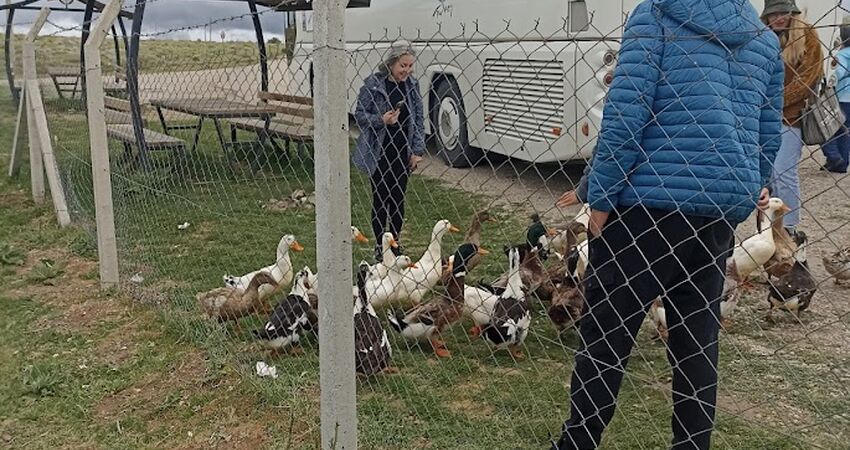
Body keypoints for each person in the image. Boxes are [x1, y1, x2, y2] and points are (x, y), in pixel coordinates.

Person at [553, 0, 783, 449]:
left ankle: (576, 443)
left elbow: (627, 109)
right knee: (697, 345)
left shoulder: (656, 15)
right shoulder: (763, 40)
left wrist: (600, 195)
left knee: (606, 338)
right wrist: (745, 183)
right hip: (714, 213)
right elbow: (767, 131)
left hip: (645, 207)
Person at [353, 40, 426, 261]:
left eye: (410, 65)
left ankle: (394, 242)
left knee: (398, 199)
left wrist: (417, 149)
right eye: (403, 65)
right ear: (391, 64)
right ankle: (379, 244)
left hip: (402, 151)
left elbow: (419, 118)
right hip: (380, 150)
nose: (407, 70)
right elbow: (359, 114)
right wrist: (381, 119)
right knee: (380, 198)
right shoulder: (373, 85)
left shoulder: (412, 86)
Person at [762, 0, 823, 233]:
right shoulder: (761, 36)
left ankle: (789, 229)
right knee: (765, 176)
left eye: (783, 13)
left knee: (783, 173)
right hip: (761, 117)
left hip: (791, 116)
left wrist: (775, 101)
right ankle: (768, 228)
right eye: (773, 14)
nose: (778, 18)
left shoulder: (807, 34)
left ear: (792, 13)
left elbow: (808, 77)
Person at [819, 17, 850, 174]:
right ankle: (842, 163)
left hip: (842, 97)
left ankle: (833, 156)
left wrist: (830, 83)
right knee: (845, 132)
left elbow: (838, 72)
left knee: (828, 128)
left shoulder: (843, 55)